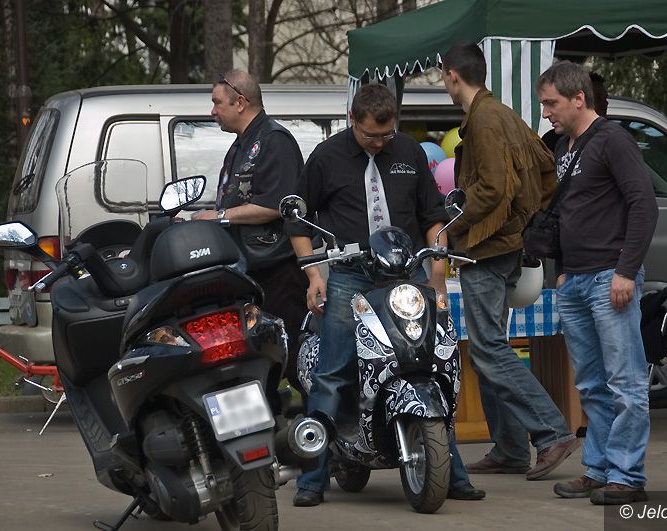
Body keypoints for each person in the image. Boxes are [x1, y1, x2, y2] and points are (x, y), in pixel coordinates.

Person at [288, 83, 485, 507]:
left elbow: (432, 216)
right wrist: (313, 274)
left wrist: (437, 271)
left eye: (386, 134)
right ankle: (313, 479)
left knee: (430, 363)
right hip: (350, 275)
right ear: (352, 120)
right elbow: (298, 223)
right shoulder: (326, 157)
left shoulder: (409, 152)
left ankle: (452, 474)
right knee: (332, 371)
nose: (379, 142)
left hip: (408, 273)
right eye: (370, 135)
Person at [440, 43, 579, 481]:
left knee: (487, 349)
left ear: (451, 76)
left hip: (487, 249)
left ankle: (552, 433)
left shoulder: (484, 119)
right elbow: (545, 168)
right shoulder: (502, 113)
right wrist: (524, 221)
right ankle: (511, 447)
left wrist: (454, 223)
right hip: (505, 246)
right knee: (489, 349)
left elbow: (494, 188)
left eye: (443, 77)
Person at [536, 60, 658, 505]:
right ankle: (600, 468)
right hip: (576, 280)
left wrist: (625, 270)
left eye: (551, 103)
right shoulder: (563, 146)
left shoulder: (613, 139)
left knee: (625, 382)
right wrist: (562, 270)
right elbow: (567, 213)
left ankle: (627, 477)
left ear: (578, 98)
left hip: (610, 277)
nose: (545, 113)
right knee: (591, 384)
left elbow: (644, 205)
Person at [192, 69, 307, 393]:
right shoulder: (240, 145)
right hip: (248, 273)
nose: (213, 111)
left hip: (278, 272)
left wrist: (219, 216)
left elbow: (276, 205)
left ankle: (320, 419)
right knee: (258, 362)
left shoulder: (275, 140)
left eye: (217, 102)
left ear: (240, 102)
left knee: (293, 358)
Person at [541, 72, 608, 153]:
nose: (605, 103)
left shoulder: (612, 139)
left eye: (605, 98)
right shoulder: (552, 140)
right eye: (598, 98)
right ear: (579, 99)